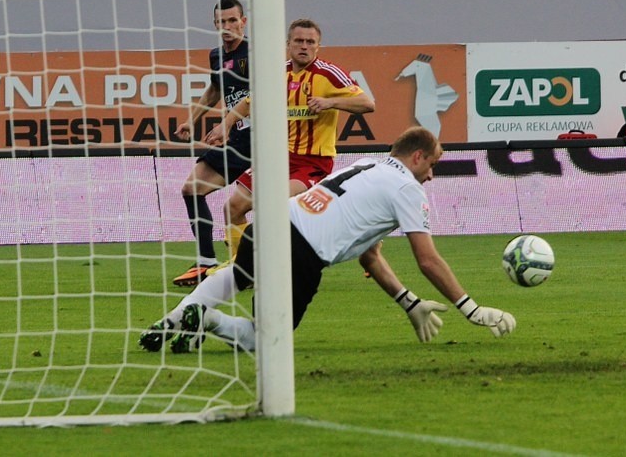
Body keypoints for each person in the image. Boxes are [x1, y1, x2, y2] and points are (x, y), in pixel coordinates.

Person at [139, 126, 516, 354]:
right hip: (304, 250)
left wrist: (409, 302)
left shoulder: (367, 166)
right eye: (432, 164)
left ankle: (175, 317)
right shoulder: (406, 188)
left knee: (239, 275)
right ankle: (209, 321)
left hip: (274, 218)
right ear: (417, 157)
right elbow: (428, 260)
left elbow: (369, 256)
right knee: (266, 340)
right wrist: (471, 308)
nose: (432, 176)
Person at [203, 18, 374, 266]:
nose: (304, 46)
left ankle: (278, 266)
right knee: (233, 208)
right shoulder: (277, 73)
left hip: (311, 161)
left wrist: (331, 102)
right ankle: (243, 269)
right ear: (288, 44)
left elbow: (368, 104)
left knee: (276, 207)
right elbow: (249, 101)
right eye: (299, 41)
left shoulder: (329, 74)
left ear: (318, 46)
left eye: (310, 42)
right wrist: (225, 125)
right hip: (277, 158)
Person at [172, 0, 251, 287]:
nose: (228, 26)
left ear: (244, 21)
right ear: (216, 24)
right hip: (238, 137)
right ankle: (206, 263)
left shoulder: (255, 53)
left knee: (278, 205)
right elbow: (215, 90)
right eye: (222, 22)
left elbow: (258, 97)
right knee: (192, 189)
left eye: (233, 20)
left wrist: (225, 124)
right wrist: (191, 120)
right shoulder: (217, 55)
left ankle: (248, 265)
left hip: (260, 138)